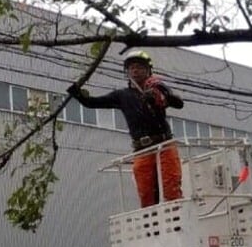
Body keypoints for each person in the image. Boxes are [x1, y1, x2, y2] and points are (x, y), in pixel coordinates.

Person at [67, 51, 184, 208]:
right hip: (142, 148)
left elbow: (178, 103)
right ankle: (151, 229)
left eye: (140, 67)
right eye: (132, 68)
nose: (135, 70)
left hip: (164, 143)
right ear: (127, 72)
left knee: (171, 185)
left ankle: (178, 221)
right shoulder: (122, 95)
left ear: (148, 70)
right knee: (145, 191)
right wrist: (78, 94)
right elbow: (93, 103)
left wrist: (159, 97)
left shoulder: (157, 88)